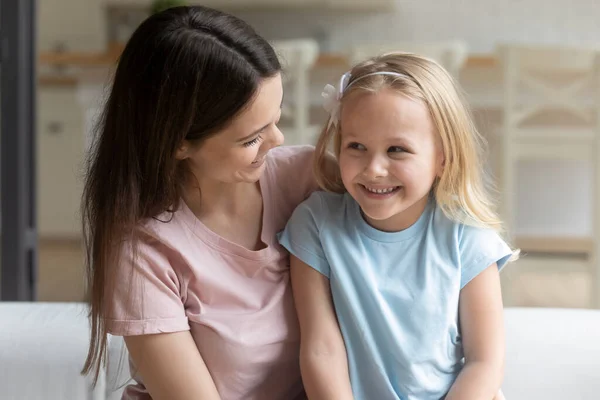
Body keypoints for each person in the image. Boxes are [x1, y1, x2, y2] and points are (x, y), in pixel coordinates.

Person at [81, 5, 320, 400]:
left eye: (278, 118)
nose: (277, 140)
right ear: (178, 143)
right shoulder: (143, 250)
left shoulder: (307, 178)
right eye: (252, 138)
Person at [278, 52, 518, 400]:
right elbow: (321, 349)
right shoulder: (314, 224)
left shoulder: (468, 239)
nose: (374, 168)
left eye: (397, 150)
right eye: (356, 146)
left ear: (443, 157)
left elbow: (484, 362)